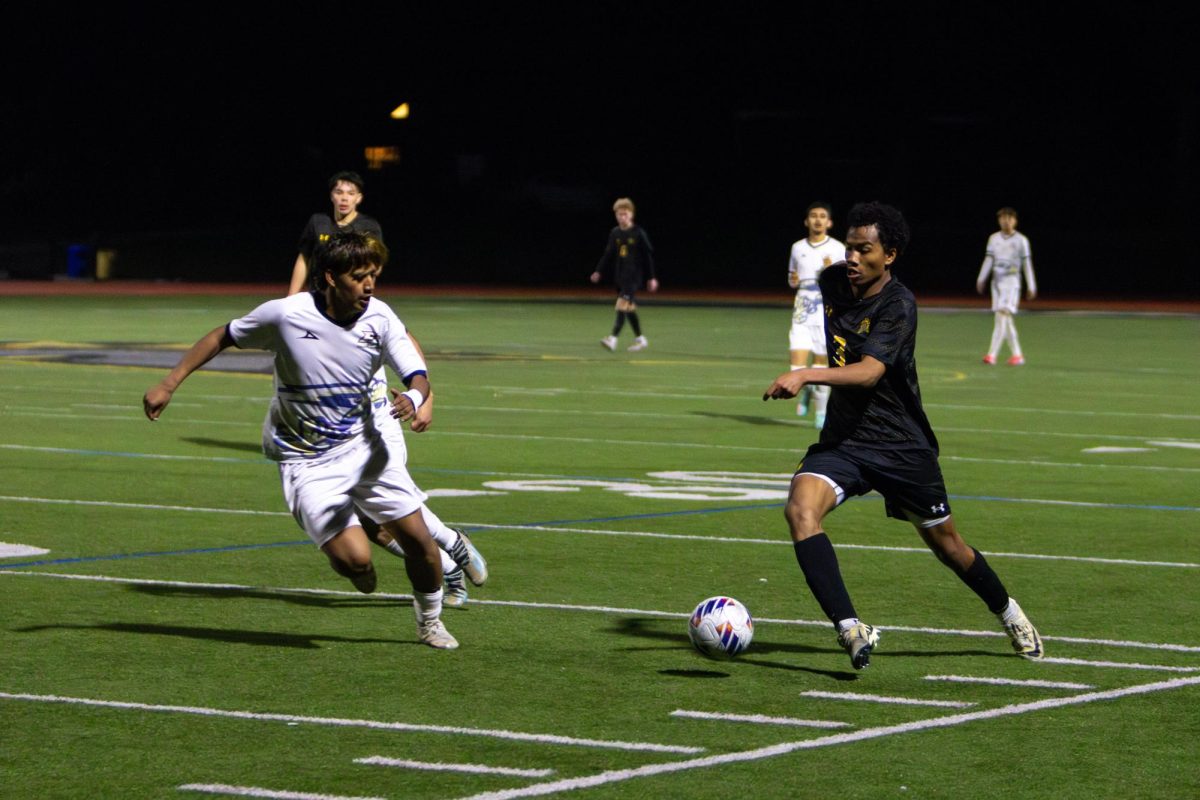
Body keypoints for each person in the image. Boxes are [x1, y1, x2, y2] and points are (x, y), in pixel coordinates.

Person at [144, 232, 460, 648]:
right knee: (354, 562)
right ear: (330, 277)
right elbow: (221, 335)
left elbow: (415, 373)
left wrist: (415, 397)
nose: (369, 285)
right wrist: (168, 384)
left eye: (374, 276)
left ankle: (430, 622)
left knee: (419, 540)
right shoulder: (285, 315)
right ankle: (360, 571)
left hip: (365, 448)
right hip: (306, 457)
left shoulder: (380, 317)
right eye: (359, 276)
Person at [763, 201, 1043, 670]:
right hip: (845, 440)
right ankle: (850, 628)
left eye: (863, 249)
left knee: (949, 546)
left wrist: (805, 375)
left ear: (888, 255)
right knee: (800, 509)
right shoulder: (833, 282)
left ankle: (1009, 612)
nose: (851, 257)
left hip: (900, 445)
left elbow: (870, 372)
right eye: (849, 247)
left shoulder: (899, 304)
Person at [286, 175, 487, 607]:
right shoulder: (305, 307)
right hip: (331, 433)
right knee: (365, 517)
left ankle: (449, 551)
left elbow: (407, 347)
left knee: (391, 510)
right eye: (337, 191)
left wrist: (425, 397)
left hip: (374, 422)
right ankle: (448, 560)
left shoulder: (370, 308)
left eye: (370, 272)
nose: (368, 279)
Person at [787, 202, 843, 429]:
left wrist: (831, 272)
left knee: (821, 368)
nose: (818, 220)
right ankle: (807, 391)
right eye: (813, 216)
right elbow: (792, 277)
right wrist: (793, 281)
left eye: (822, 216)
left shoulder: (838, 248)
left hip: (824, 311)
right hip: (802, 309)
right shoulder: (797, 247)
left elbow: (844, 283)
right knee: (796, 369)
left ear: (829, 223)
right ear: (806, 222)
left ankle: (821, 414)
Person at [287, 171, 383, 296]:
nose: (344, 198)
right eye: (339, 192)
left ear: (358, 198)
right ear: (332, 196)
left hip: (351, 299)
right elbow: (304, 259)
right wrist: (291, 296)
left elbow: (376, 265)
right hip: (318, 296)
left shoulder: (369, 226)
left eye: (351, 193)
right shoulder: (318, 221)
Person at [590, 197, 658, 352]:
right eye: (619, 214)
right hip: (620, 277)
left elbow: (647, 256)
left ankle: (612, 339)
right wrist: (598, 271)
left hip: (634, 278)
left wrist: (651, 277)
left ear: (631, 215)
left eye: (625, 214)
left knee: (621, 305)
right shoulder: (615, 233)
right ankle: (641, 339)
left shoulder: (639, 233)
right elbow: (608, 254)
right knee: (628, 309)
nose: (622, 217)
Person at [976, 207, 1037, 365]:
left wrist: (1032, 285)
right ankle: (1018, 355)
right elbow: (989, 259)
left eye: (1009, 218)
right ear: (999, 220)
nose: (1006, 221)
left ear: (1015, 221)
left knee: (1001, 315)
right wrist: (981, 278)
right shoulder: (994, 238)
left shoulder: (1021, 240)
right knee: (1006, 319)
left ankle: (992, 355)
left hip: (1011, 281)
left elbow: (1026, 263)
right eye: (1003, 218)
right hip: (996, 282)